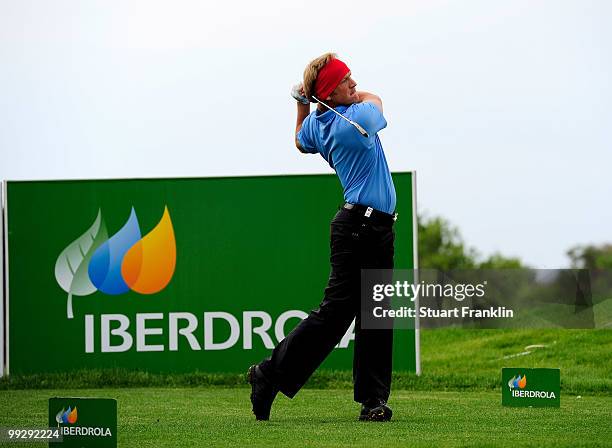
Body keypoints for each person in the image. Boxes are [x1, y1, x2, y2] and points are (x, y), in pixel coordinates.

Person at [248, 52, 396, 422]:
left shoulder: (320, 124)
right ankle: (267, 374)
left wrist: (303, 103)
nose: (355, 84)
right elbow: (375, 100)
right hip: (360, 228)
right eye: (346, 80)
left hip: (371, 227)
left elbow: (300, 140)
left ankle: (372, 401)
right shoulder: (355, 121)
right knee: (335, 316)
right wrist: (322, 98)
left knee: (375, 315)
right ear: (330, 92)